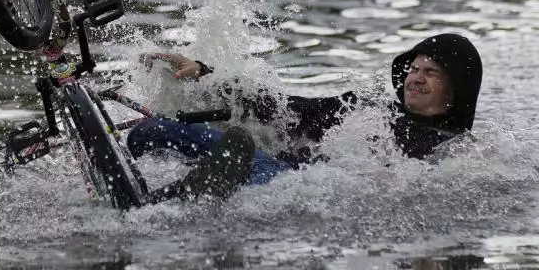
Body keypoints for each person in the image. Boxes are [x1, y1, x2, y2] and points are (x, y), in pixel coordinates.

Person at [131, 32, 483, 201]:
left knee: (237, 158)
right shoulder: (368, 109)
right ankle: (124, 173)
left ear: (456, 90)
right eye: (414, 68)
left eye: (432, 72)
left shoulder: (452, 152)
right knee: (152, 131)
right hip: (274, 166)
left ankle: (159, 201)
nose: (416, 78)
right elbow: (290, 109)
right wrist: (207, 72)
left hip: (292, 186)